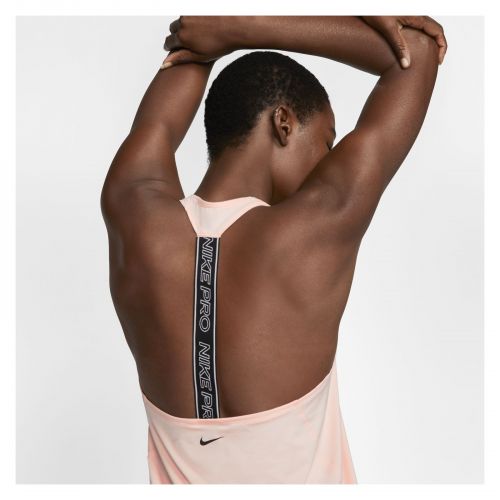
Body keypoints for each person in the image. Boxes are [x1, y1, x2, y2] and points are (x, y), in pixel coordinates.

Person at [100, 15, 447, 484]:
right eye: (326, 142)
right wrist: (238, 30)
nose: (328, 162)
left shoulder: (132, 211)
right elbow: (417, 50)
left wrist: (220, 34)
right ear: (284, 123)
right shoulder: (315, 226)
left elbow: (191, 44)